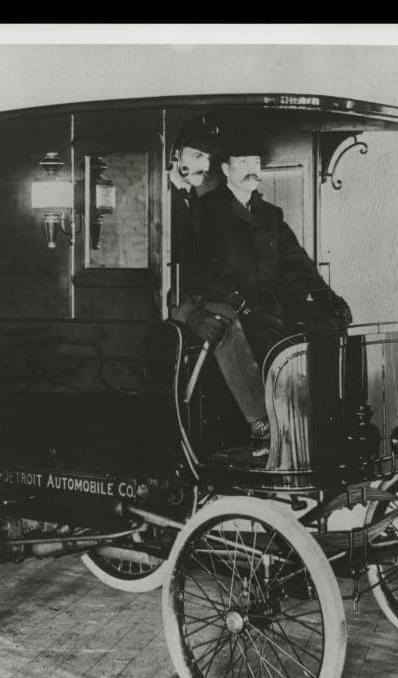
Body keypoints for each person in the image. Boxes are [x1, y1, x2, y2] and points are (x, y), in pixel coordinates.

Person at [198, 129, 353, 367]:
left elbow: (296, 262)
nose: (252, 169)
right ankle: (284, 391)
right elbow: (207, 272)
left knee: (330, 320)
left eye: (255, 162)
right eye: (242, 162)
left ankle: (329, 391)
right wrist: (242, 304)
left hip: (275, 303)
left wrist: (324, 295)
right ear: (226, 169)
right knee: (271, 337)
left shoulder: (269, 214)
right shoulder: (207, 211)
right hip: (237, 307)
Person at [167, 121, 271, 459]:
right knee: (225, 325)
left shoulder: (193, 201)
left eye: (208, 158)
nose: (204, 165)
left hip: (194, 295)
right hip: (168, 302)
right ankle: (260, 424)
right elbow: (153, 270)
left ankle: (272, 421)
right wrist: (190, 315)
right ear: (175, 157)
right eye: (196, 156)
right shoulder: (157, 199)